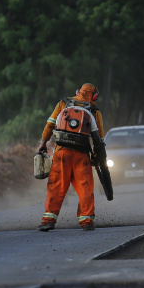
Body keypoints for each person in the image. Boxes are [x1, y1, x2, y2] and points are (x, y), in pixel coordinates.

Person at [37, 83, 106, 231]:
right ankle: (86, 220)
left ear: (77, 92)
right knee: (85, 188)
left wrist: (43, 143)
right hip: (81, 155)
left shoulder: (63, 103)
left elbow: (50, 124)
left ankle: (48, 220)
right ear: (94, 97)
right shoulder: (94, 111)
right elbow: (99, 139)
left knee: (56, 187)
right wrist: (96, 157)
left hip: (61, 153)